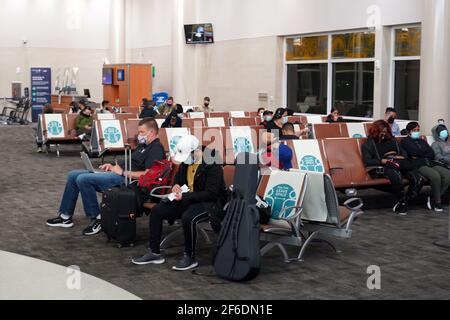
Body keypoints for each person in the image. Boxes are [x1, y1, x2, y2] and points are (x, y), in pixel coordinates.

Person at [46, 118, 165, 235]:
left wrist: (123, 172)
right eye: (139, 132)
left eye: (142, 132)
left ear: (152, 132)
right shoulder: (143, 145)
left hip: (129, 181)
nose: (139, 135)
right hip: (120, 174)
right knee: (73, 175)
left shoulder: (156, 149)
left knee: (83, 180)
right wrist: (113, 166)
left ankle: (98, 218)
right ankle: (65, 216)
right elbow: (131, 163)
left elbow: (148, 175)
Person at [132, 135, 226, 271]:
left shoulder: (212, 163)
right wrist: (176, 185)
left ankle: (190, 256)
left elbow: (211, 193)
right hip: (188, 199)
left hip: (208, 203)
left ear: (196, 151)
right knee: (157, 210)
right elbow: (178, 178)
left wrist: (185, 195)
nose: (184, 161)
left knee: (189, 217)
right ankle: (154, 252)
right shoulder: (188, 161)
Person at [361, 120, 423, 216]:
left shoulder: (392, 140)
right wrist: (382, 161)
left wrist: (399, 157)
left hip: (398, 163)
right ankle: (402, 202)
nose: (384, 134)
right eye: (382, 132)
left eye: (386, 132)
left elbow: (404, 153)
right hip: (381, 167)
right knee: (396, 176)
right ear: (375, 131)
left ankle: (405, 200)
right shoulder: (368, 144)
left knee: (418, 178)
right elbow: (368, 161)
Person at [402, 122, 450, 212]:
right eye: (414, 130)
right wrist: (423, 153)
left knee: (447, 175)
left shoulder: (422, 141)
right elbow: (413, 152)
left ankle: (434, 196)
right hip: (417, 164)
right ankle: (437, 202)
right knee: (435, 176)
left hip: (429, 162)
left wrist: (421, 154)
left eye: (418, 130)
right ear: (408, 132)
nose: (417, 132)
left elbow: (431, 153)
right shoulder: (405, 141)